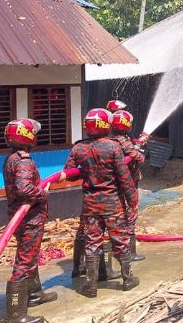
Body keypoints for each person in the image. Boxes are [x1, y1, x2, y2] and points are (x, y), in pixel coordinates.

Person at [61, 108, 139, 298]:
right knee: (120, 240)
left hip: (90, 204)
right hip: (113, 203)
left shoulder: (78, 148)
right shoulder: (113, 147)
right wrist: (132, 199)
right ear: (107, 125)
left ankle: (91, 286)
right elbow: (124, 177)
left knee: (92, 243)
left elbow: (68, 174)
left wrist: (86, 171)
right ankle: (128, 279)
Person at [2, 119, 57, 323]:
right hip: (29, 219)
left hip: (19, 217)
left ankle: (34, 295)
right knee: (24, 262)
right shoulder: (23, 161)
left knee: (29, 257)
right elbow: (25, 189)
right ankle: (15, 315)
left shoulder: (11, 158)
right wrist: (43, 193)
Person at [110, 108, 146, 261]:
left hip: (115, 185)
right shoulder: (124, 141)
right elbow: (138, 157)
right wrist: (140, 148)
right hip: (129, 184)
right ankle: (130, 254)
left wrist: (137, 143)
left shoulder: (110, 140)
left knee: (119, 217)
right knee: (130, 216)